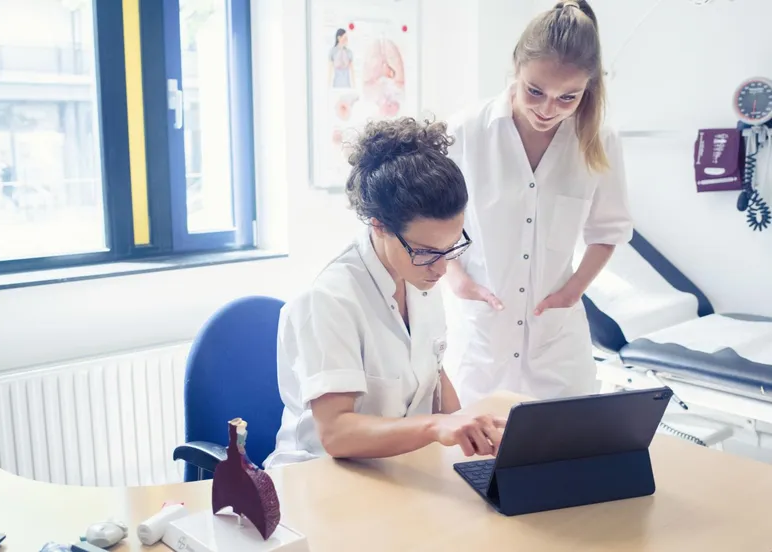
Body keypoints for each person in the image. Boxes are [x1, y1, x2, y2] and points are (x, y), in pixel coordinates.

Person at [263, 117, 506, 469]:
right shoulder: (330, 300)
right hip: (321, 477)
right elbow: (336, 433)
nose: (441, 269)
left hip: (398, 468)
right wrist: (437, 426)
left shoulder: (419, 274)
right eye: (427, 251)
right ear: (379, 225)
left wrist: (471, 428)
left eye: (452, 248)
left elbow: (433, 376)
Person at [443, 0, 634, 405]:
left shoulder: (599, 141)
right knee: (470, 459)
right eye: (535, 91)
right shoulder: (466, 132)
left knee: (567, 454)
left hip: (557, 345)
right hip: (482, 341)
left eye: (569, 98)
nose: (548, 109)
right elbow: (431, 221)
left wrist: (573, 291)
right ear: (516, 67)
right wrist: (457, 277)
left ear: (589, 88)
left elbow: (608, 230)